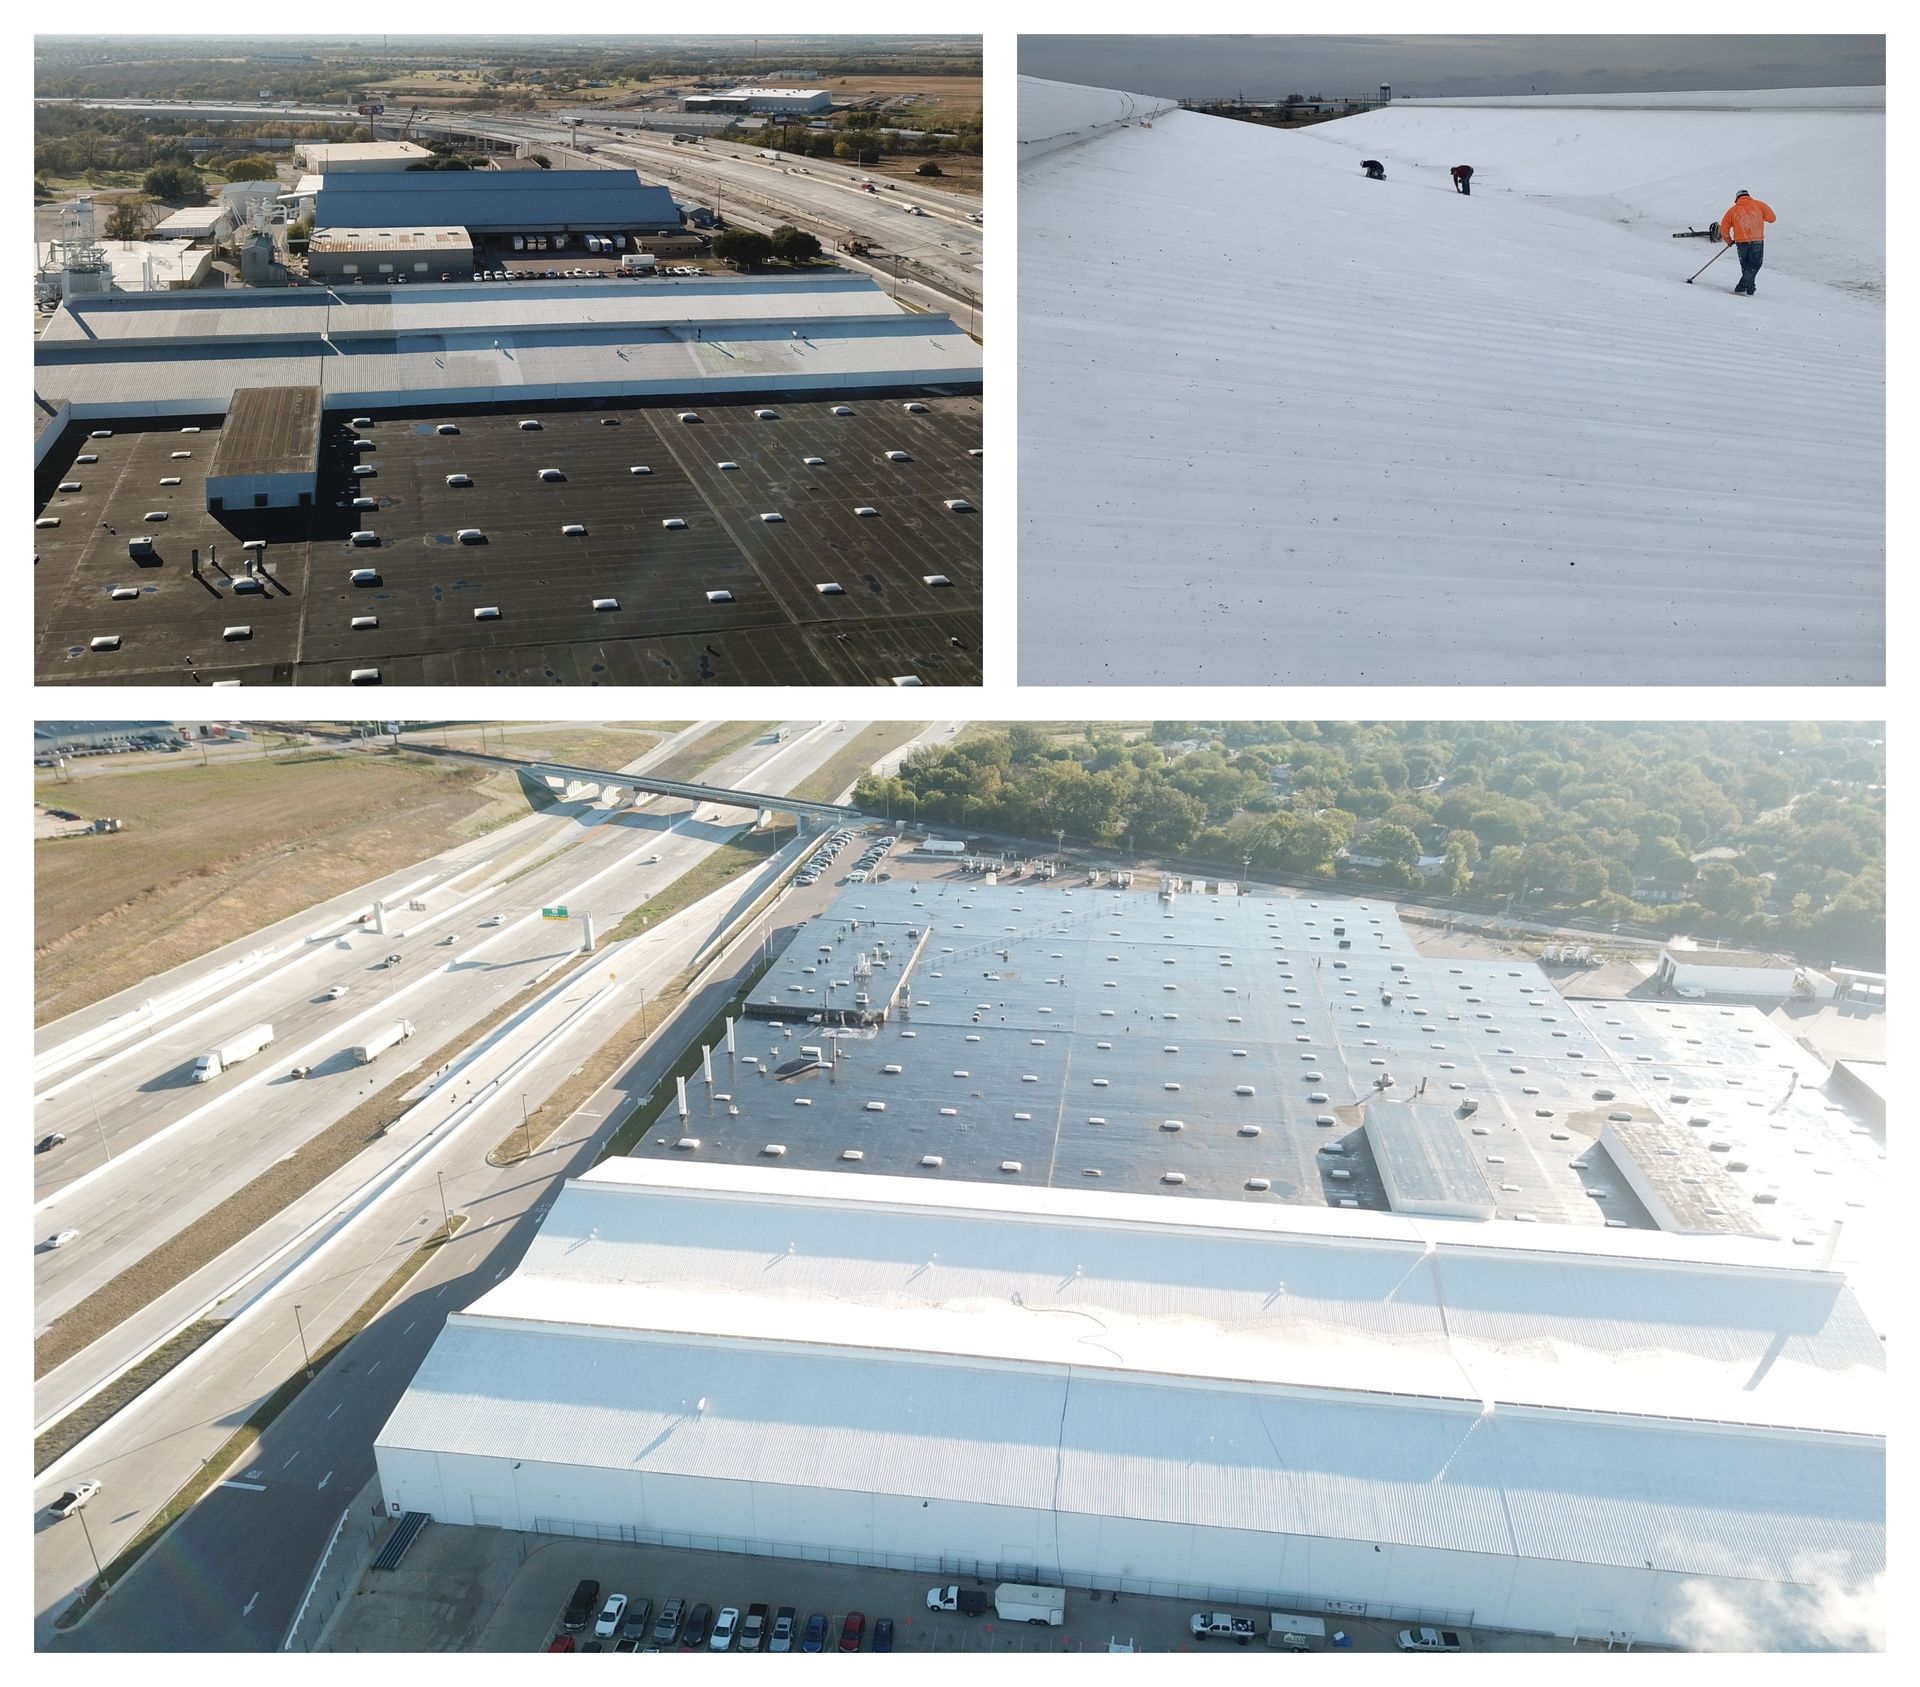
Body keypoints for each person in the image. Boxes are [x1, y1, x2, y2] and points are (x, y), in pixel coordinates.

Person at [1719, 188, 1776, 295]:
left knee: (1746, 266)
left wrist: (1728, 240)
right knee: (1754, 265)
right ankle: (1741, 287)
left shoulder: (1732, 210)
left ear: (1737, 198)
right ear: (1748, 196)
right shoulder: (1759, 205)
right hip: (1756, 241)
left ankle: (1750, 288)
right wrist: (1759, 217)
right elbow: (1772, 218)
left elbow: (1724, 227)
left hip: (1741, 242)